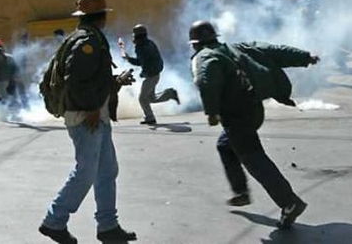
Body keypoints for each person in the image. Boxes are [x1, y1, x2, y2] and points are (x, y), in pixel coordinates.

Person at [188, 20, 320, 229]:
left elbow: (207, 80)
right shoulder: (234, 47)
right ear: (215, 37)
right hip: (254, 109)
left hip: (237, 116)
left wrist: (212, 112)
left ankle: (289, 202)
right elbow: (271, 51)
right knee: (225, 145)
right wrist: (304, 57)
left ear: (194, 43)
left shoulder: (203, 57)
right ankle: (240, 192)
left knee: (254, 159)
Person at [39, 0, 137, 244]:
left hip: (95, 114)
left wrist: (116, 82)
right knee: (86, 172)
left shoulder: (89, 37)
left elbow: (94, 80)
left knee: (106, 171)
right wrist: (93, 108)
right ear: (101, 16)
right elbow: (77, 82)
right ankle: (54, 221)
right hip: (87, 116)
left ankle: (108, 226)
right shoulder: (88, 43)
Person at [122, 24, 180, 124]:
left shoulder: (141, 47)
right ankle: (170, 94)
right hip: (155, 74)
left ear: (137, 36)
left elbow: (141, 62)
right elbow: (145, 61)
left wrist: (129, 60)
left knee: (142, 98)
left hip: (151, 75)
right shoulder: (149, 43)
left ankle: (150, 117)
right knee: (151, 98)